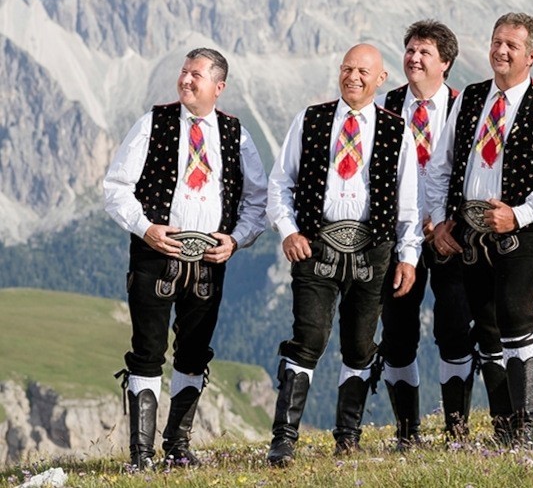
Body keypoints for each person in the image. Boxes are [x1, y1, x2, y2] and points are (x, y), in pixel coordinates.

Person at [103, 47, 268, 470]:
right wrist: (146, 228)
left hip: (209, 261)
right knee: (147, 351)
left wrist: (236, 240)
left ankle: (177, 447)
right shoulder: (153, 122)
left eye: (196, 75)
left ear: (219, 86)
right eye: (183, 72)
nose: (186, 80)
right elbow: (116, 187)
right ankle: (141, 456)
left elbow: (258, 199)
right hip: (155, 256)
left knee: (194, 353)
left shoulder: (235, 134)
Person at [427, 12, 533, 448]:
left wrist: (521, 213)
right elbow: (440, 166)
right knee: (486, 325)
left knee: (515, 315)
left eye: (512, 45)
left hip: (523, 231)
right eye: (497, 41)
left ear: (531, 56)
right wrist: (439, 220)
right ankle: (503, 427)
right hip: (469, 231)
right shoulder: (470, 97)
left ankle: (527, 429)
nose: (500, 51)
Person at [265, 43, 421, 465]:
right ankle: (283, 440)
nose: (353, 77)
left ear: (381, 79)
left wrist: (408, 257)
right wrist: (289, 231)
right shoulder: (310, 119)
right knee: (309, 337)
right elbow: (280, 184)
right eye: (347, 69)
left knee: (359, 344)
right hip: (316, 246)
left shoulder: (396, 129)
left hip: (373, 251)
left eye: (363, 71)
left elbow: (409, 202)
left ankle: (347, 438)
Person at [375, 20, 475, 448]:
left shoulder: (464, 107)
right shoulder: (385, 105)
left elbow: (471, 170)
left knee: (454, 329)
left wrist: (444, 219)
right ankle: (406, 432)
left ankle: (457, 430)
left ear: (445, 62)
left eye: (424, 53)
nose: (414, 59)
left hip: (449, 235)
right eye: (411, 51)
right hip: (399, 237)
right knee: (397, 333)